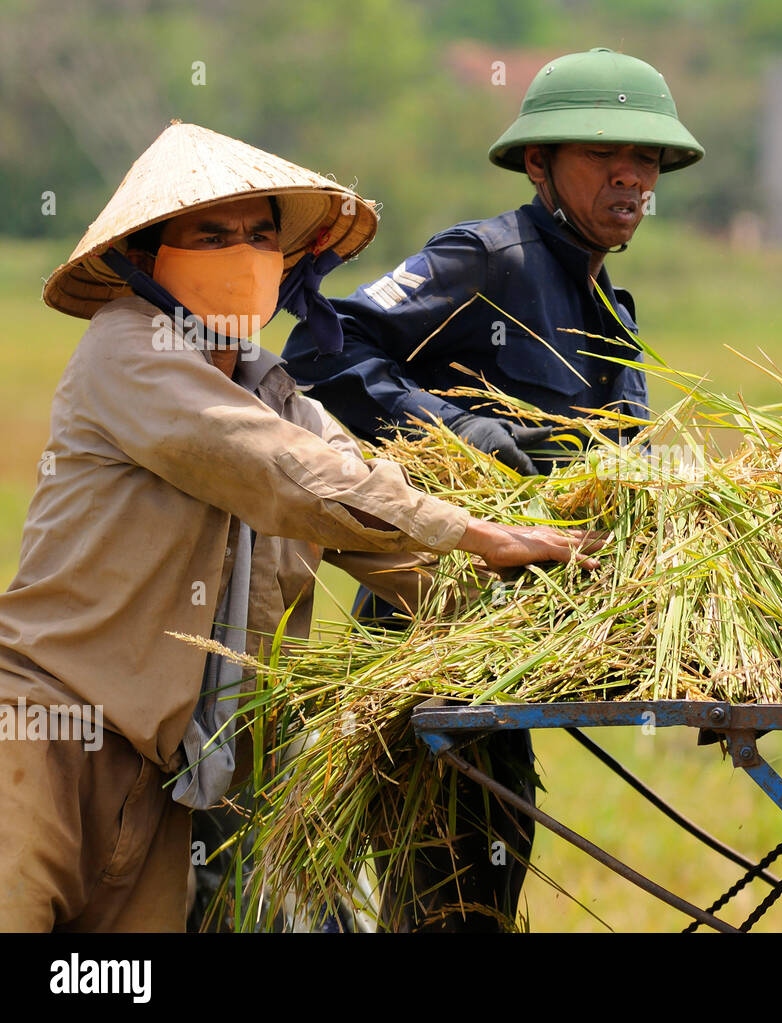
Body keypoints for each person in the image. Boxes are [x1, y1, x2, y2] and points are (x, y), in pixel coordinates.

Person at [0, 121, 602, 933]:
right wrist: (481, 534)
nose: (243, 255)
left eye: (259, 237)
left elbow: (380, 520)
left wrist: (574, 614)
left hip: (166, 781)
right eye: (212, 237)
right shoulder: (128, 351)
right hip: (46, 740)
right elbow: (288, 476)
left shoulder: (278, 399)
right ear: (145, 259)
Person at [280, 47, 703, 930]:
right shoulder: (487, 257)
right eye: (604, 156)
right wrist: (459, 430)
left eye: (647, 159)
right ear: (539, 164)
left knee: (490, 867)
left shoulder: (615, 310)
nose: (632, 177)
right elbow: (325, 349)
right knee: (448, 884)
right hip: (431, 629)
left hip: (510, 653)